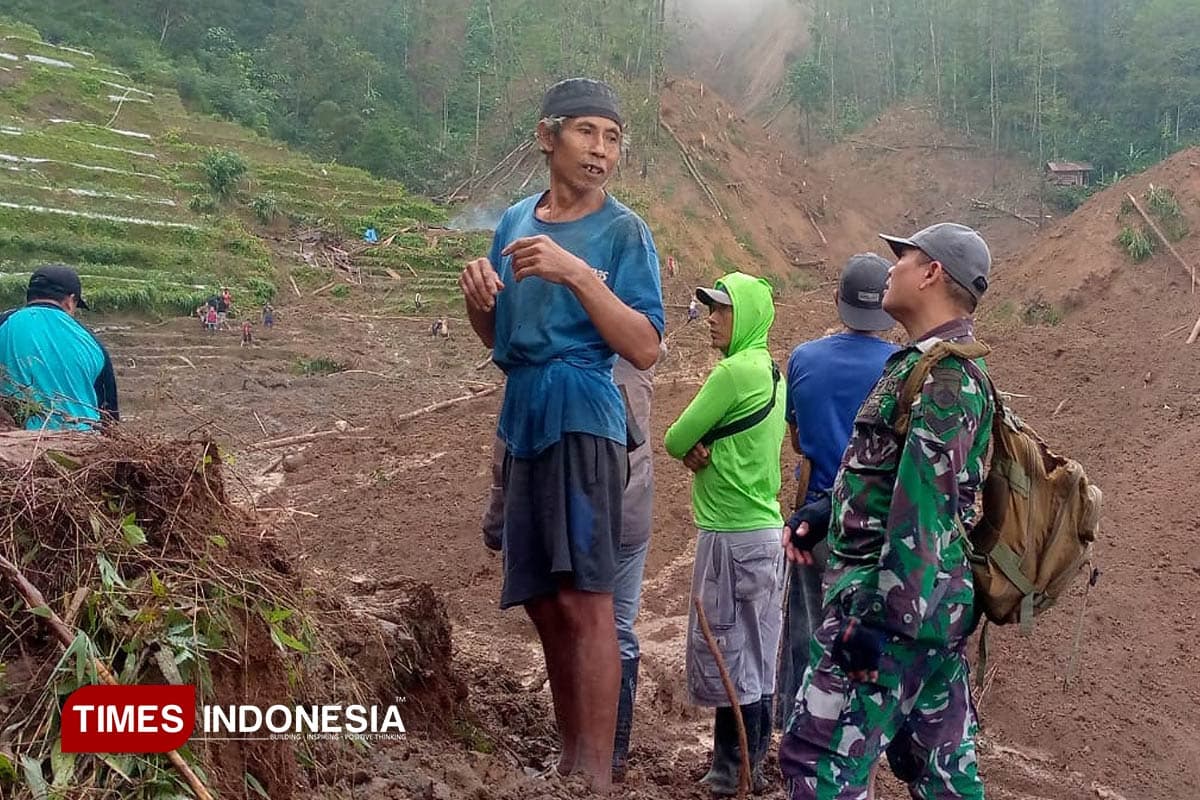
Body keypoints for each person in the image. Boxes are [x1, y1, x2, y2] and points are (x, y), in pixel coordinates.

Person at [458, 77, 664, 792]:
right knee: (544, 598)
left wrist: (579, 275)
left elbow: (643, 345)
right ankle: (570, 753)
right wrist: (480, 305)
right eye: (586, 133)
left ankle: (598, 773)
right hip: (523, 416)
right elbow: (501, 339)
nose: (600, 150)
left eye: (612, 139)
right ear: (548, 137)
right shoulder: (515, 219)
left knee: (587, 599)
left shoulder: (624, 233)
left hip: (584, 414)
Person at [780, 223, 995, 800]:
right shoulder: (920, 367)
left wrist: (874, 623)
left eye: (903, 257)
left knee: (817, 761)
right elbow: (892, 476)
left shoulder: (946, 380)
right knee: (942, 771)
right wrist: (828, 511)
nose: (891, 268)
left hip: (894, 611)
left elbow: (925, 513)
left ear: (932, 274)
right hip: (928, 611)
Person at [480, 344, 665, 783]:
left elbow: (503, 449)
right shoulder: (630, 370)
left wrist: (497, 512)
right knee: (602, 621)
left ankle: (594, 762)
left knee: (588, 617)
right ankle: (602, 758)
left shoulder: (590, 365)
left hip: (592, 501)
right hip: (624, 504)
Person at [664, 272, 786, 797]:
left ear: (749, 316)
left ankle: (728, 770)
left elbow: (674, 439)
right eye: (710, 308)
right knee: (757, 653)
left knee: (725, 649)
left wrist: (693, 447)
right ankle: (749, 768)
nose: (711, 318)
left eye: (723, 309)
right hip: (765, 532)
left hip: (730, 534)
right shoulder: (772, 372)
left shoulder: (733, 373)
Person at [775, 254, 898, 731]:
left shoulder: (805, 358)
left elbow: (799, 441)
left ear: (836, 300)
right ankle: (851, 737)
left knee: (805, 632)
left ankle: (795, 729)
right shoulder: (897, 367)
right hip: (872, 529)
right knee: (863, 638)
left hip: (813, 523)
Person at [0, 265, 118, 430]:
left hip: (17, 439)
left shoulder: (4, 323)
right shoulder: (92, 342)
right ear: (70, 301)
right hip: (83, 443)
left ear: (30, 296)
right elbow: (109, 416)